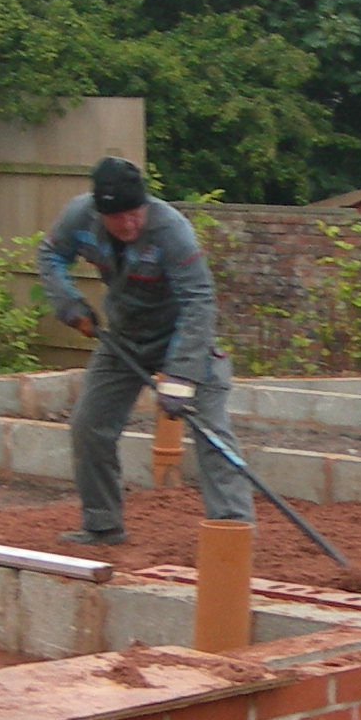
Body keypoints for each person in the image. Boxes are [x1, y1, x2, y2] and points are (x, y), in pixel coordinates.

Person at [36, 156, 252, 547]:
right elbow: (49, 256)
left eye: (135, 213)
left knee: (213, 435)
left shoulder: (172, 231)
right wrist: (69, 305)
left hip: (182, 339)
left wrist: (182, 376)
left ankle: (232, 533)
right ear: (100, 214)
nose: (129, 224)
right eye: (118, 218)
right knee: (89, 425)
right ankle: (102, 525)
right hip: (124, 339)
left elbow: (199, 300)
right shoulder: (78, 217)